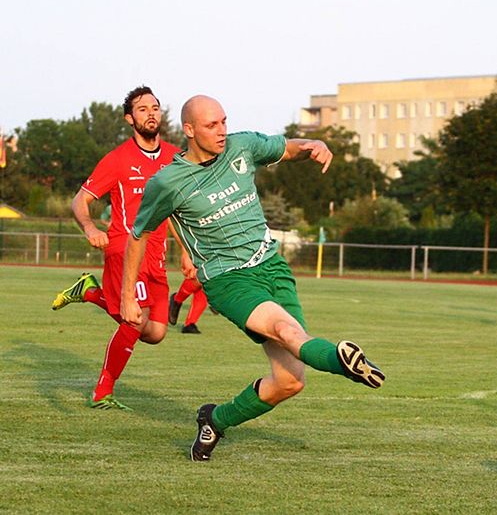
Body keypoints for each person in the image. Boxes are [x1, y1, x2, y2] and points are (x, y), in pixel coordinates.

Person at [121, 95, 385, 462]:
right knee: (289, 333)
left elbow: (288, 148)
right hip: (229, 281)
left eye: (224, 122)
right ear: (189, 130)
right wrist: (127, 295)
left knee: (290, 381)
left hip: (273, 268)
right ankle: (344, 364)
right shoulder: (167, 182)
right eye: (212, 125)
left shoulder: (242, 146)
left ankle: (216, 418)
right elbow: (139, 234)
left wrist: (315, 145)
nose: (222, 131)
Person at [51, 86, 182, 410]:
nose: (150, 113)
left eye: (155, 107)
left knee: (155, 332)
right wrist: (91, 226)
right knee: (135, 321)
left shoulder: (176, 158)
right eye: (142, 109)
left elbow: (180, 210)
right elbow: (80, 200)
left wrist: (190, 255)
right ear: (129, 118)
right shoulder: (118, 159)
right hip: (125, 248)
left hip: (157, 254)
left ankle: (91, 292)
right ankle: (103, 390)